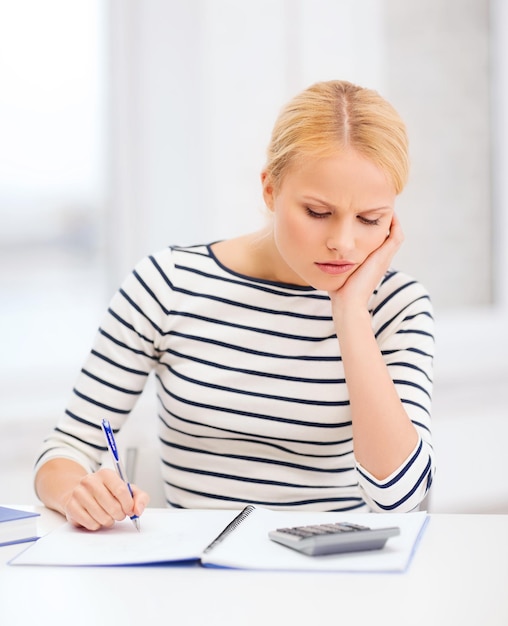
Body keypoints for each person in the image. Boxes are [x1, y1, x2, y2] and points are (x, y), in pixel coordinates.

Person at [34, 80, 435, 531]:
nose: (343, 243)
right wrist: (76, 493)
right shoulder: (168, 284)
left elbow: (399, 497)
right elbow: (66, 449)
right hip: (196, 578)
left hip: (333, 578)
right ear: (269, 190)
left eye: (370, 220)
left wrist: (350, 313)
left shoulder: (398, 307)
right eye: (318, 212)